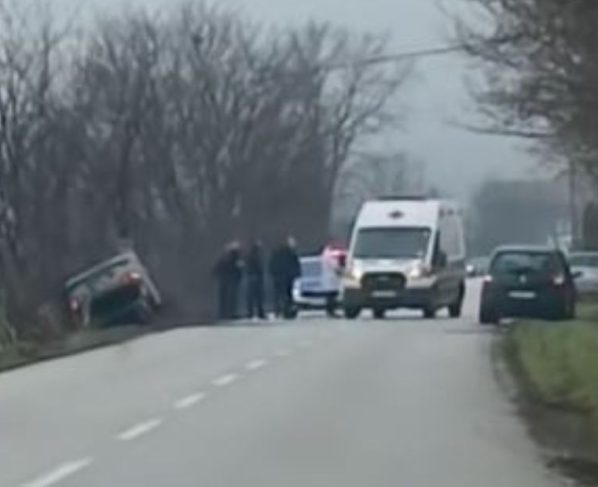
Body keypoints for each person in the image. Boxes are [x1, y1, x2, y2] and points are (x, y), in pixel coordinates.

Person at [269, 236, 301, 319]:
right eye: (293, 243)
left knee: (281, 295)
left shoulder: (280, 253)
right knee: (285, 295)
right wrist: (295, 274)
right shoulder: (288, 253)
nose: (294, 244)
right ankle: (285, 311)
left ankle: (280, 311)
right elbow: (294, 265)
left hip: (282, 277)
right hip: (285, 278)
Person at [212, 241, 243, 320]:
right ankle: (227, 313)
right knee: (229, 298)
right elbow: (216, 270)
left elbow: (216, 270)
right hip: (227, 281)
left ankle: (225, 313)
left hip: (227, 281)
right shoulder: (232, 261)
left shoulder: (229, 260)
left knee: (227, 298)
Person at [245, 240, 266, 320]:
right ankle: (258, 312)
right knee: (257, 296)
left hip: (252, 277)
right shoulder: (254, 256)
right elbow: (256, 267)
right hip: (255, 277)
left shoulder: (251, 255)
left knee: (252, 296)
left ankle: (251, 313)